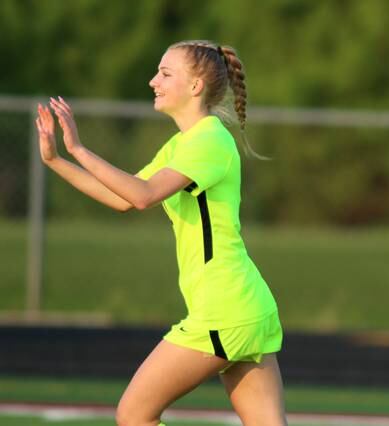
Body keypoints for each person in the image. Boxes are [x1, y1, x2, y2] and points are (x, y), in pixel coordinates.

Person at [35, 40, 286, 426]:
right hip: (246, 308)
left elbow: (143, 196)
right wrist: (56, 161)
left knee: (134, 415)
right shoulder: (182, 145)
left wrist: (80, 149)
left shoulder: (211, 141)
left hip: (224, 309)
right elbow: (121, 197)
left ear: (196, 85)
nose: (153, 81)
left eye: (165, 73)